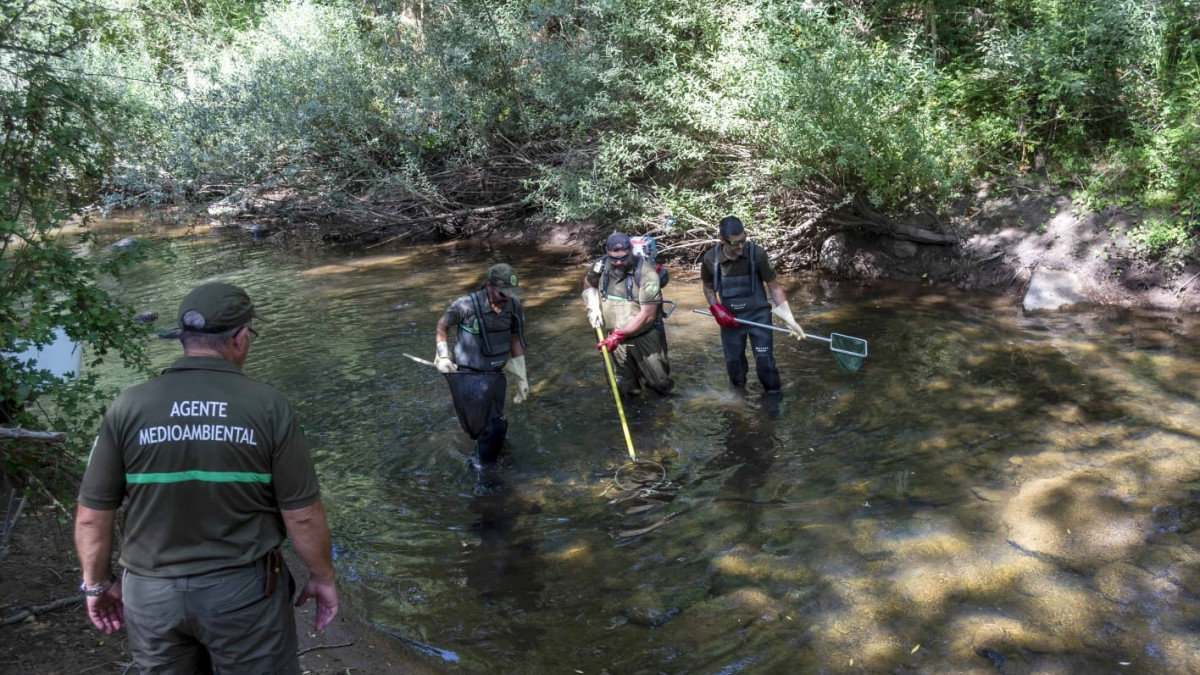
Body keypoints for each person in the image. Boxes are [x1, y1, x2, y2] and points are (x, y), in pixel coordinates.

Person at [74, 282, 338, 674]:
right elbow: (301, 514)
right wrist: (322, 577)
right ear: (241, 338)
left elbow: (92, 516)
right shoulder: (268, 406)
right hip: (240, 596)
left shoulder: (128, 405)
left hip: (150, 596)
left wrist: (96, 584)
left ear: (185, 339)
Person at [434, 263, 530, 468]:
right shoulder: (464, 306)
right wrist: (443, 356)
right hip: (470, 376)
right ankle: (483, 471)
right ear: (488, 286)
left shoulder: (513, 306)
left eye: (510, 293)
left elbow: (514, 339)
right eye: (503, 293)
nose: (507, 298)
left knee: (498, 423)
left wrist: (522, 376)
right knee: (491, 426)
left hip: (497, 376)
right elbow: (442, 325)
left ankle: (487, 457)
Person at [701, 216, 807, 392]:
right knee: (734, 366)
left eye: (743, 240)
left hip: (759, 317)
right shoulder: (710, 259)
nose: (741, 246)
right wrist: (716, 308)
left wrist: (789, 318)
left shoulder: (757, 253)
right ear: (722, 239)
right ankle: (739, 402)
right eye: (735, 243)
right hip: (730, 320)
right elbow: (708, 287)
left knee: (765, 365)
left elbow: (774, 287)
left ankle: (774, 403)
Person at [582, 232, 673, 396]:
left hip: (644, 336)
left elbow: (647, 315)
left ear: (631, 251)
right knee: (624, 388)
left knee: (659, 385)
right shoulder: (601, 265)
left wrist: (619, 335)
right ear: (607, 253)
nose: (618, 263)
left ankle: (663, 417)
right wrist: (592, 304)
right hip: (614, 339)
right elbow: (589, 282)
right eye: (613, 258)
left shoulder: (647, 274)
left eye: (623, 258)